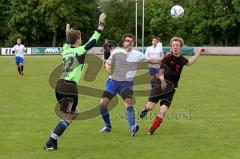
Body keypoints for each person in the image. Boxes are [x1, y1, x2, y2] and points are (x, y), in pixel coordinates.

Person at [44, 13, 107, 150]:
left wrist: (68, 33)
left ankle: (53, 140)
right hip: (69, 87)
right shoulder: (79, 50)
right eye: (80, 38)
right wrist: (100, 25)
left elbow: (67, 43)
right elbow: (92, 42)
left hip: (60, 85)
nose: (82, 39)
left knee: (74, 113)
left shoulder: (65, 50)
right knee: (69, 116)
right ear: (78, 40)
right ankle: (50, 142)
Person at [140, 37, 205, 135]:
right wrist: (161, 79)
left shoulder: (182, 60)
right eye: (173, 45)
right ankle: (145, 109)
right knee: (150, 107)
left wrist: (198, 53)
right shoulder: (167, 57)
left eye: (177, 45)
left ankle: (152, 130)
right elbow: (161, 71)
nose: (175, 47)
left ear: (181, 47)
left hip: (170, 89)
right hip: (159, 85)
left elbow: (190, 62)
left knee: (163, 110)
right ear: (171, 47)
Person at [99, 34, 162, 136]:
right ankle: (107, 126)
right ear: (123, 42)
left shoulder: (138, 54)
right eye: (127, 41)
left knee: (128, 103)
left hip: (126, 83)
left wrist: (165, 58)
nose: (130, 42)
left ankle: (133, 127)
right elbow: (107, 62)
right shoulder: (116, 52)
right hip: (112, 82)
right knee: (102, 104)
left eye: (131, 41)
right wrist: (107, 67)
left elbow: (152, 61)